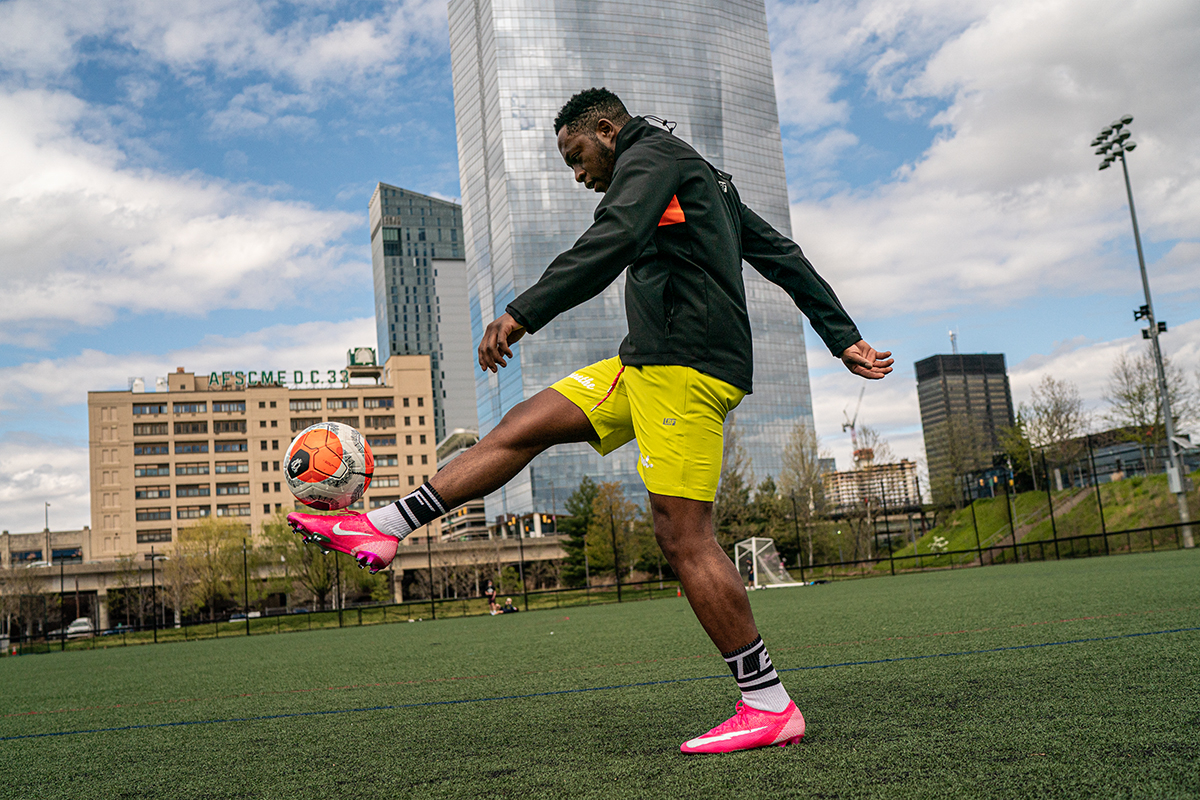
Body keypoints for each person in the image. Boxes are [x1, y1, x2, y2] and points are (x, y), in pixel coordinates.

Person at [287, 87, 892, 754]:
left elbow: (617, 235)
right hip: (647, 361)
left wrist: (522, 311)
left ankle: (767, 702)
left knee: (682, 536)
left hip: (687, 369)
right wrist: (844, 338)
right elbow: (781, 254)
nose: (579, 175)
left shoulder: (653, 158)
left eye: (578, 158)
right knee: (525, 423)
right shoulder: (694, 175)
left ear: (607, 131)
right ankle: (382, 526)